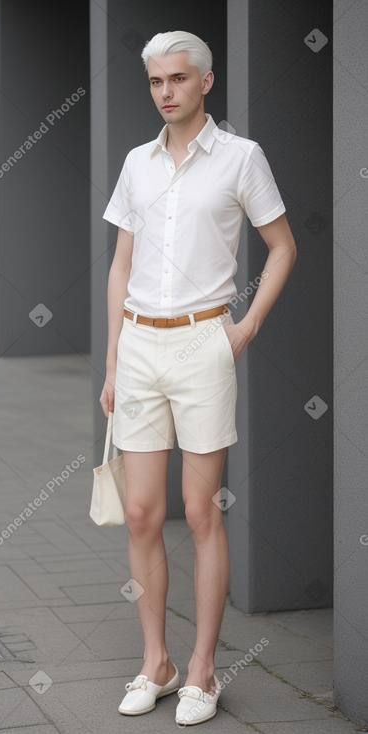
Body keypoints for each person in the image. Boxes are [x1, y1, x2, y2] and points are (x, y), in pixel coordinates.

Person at [99, 29, 297, 727]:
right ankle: (154, 661)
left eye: (178, 79)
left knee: (198, 511)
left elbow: (281, 247)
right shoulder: (136, 163)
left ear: (205, 81)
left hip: (200, 346)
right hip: (140, 350)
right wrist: (113, 359)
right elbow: (121, 264)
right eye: (155, 81)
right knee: (141, 512)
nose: (165, 92)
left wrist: (242, 329)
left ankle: (203, 670)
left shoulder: (241, 158)